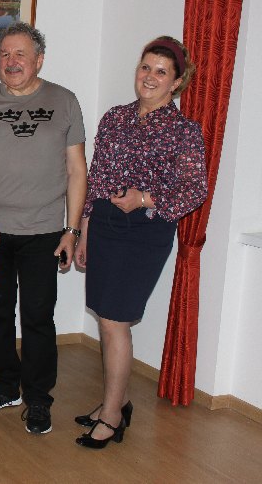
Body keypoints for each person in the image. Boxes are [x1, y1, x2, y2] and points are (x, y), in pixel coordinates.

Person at [73, 36, 207, 449]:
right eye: (145, 67)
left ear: (176, 82)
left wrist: (144, 198)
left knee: (116, 320)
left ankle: (112, 417)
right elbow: (96, 178)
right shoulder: (115, 118)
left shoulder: (184, 131)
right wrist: (84, 230)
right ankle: (118, 401)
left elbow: (194, 189)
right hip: (105, 224)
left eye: (161, 72)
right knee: (106, 317)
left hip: (145, 231)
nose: (149, 76)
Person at [0, 22, 88, 434]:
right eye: (4, 55)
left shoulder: (64, 101)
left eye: (20, 54)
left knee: (37, 317)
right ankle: (6, 386)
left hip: (44, 231)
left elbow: (77, 170)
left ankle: (38, 399)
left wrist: (72, 230)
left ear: (39, 60)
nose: (11, 62)